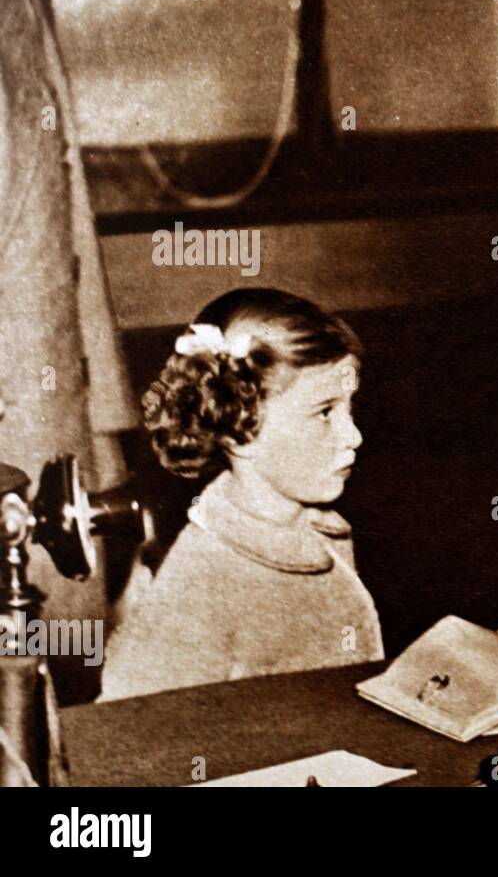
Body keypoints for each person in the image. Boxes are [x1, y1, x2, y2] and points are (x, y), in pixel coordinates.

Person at [98, 289, 383, 701]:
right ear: (240, 430)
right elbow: (131, 730)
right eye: (324, 412)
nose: (352, 436)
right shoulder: (196, 584)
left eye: (349, 409)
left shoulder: (325, 534)